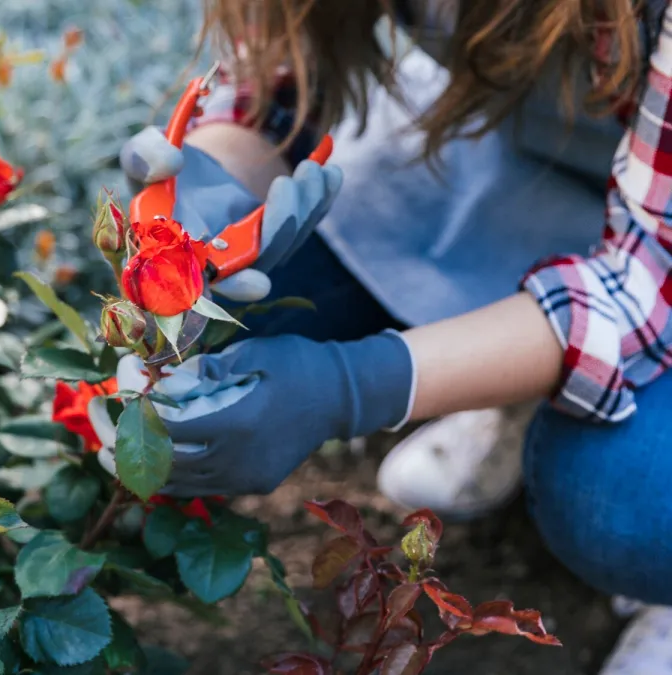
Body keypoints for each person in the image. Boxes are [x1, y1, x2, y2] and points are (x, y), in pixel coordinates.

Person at [90, 0, 672, 670]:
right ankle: (517, 376)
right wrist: (216, 172)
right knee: (248, 312)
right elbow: (280, 61)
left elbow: (652, 271)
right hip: (523, 151)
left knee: (625, 498)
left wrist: (356, 384)